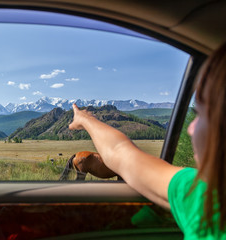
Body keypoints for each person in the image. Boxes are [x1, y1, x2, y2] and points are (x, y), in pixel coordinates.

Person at [69, 42, 226, 239]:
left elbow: (120, 152)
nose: (191, 128)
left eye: (201, 113)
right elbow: (120, 151)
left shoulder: (204, 199)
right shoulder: (205, 194)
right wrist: (85, 119)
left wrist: (86, 120)